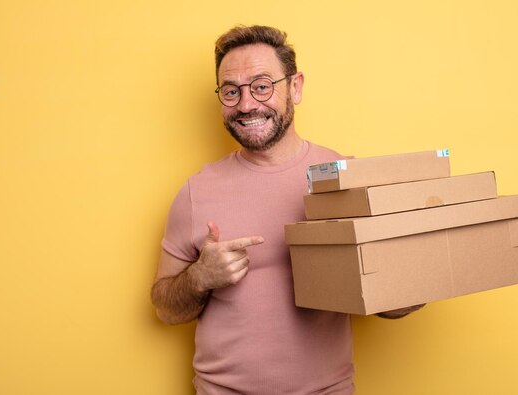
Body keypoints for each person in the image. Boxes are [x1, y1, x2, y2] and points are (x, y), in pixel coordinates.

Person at [151, 25, 424, 395]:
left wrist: (417, 280)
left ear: (295, 87)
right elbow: (166, 310)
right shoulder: (195, 192)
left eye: (262, 86)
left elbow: (390, 305)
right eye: (231, 92)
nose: (246, 105)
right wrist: (201, 276)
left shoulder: (346, 181)